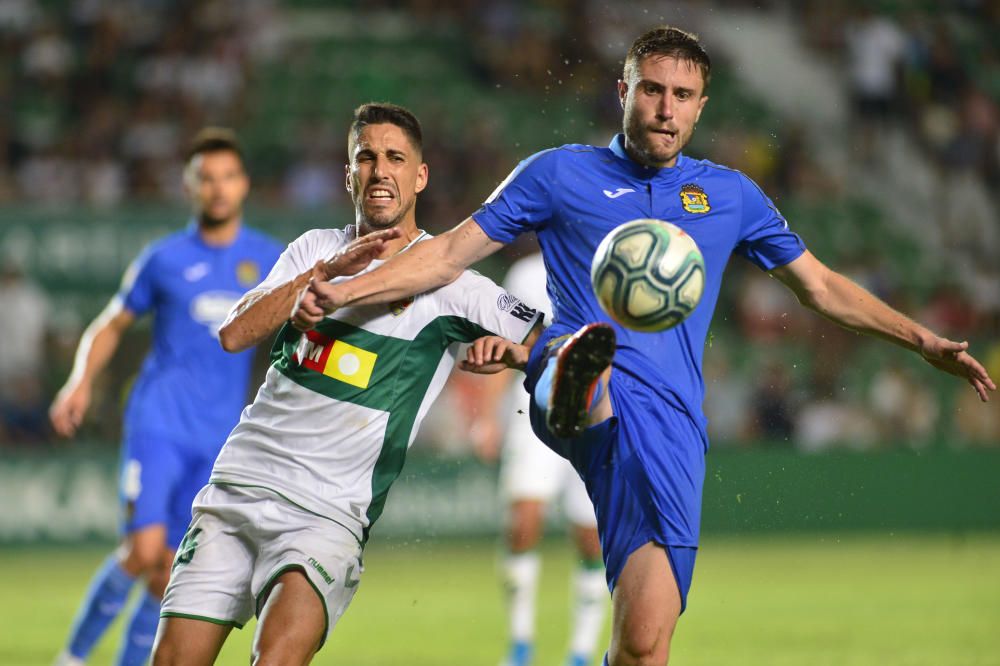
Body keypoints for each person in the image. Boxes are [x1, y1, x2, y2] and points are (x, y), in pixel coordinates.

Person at [300, 26, 997, 666]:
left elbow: (821, 288)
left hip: (670, 428)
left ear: (700, 107)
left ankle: (576, 379)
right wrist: (347, 290)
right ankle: (572, 376)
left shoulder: (731, 196)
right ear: (624, 92)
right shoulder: (556, 174)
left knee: (644, 643)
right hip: (579, 394)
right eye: (653, 89)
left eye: (682, 95)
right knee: (581, 371)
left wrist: (920, 339)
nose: (666, 107)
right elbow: (451, 253)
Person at [150, 103, 543, 665]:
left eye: (395, 158)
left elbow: (560, 346)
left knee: (277, 658)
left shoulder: (454, 286)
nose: (380, 169)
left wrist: (518, 353)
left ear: (420, 176)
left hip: (327, 513)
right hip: (239, 486)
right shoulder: (314, 248)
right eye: (366, 157)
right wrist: (325, 274)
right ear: (349, 173)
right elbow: (235, 334)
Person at [49, 128, 284, 666]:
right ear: (190, 187)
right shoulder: (164, 259)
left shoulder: (269, 259)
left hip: (219, 438)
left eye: (227, 177)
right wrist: (79, 380)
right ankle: (72, 657)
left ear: (244, 184)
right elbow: (112, 323)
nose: (218, 188)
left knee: (171, 573)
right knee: (142, 551)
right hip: (159, 423)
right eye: (207, 178)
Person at [470, 251, 607, 666]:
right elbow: (505, 342)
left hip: (596, 414)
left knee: (591, 540)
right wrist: (489, 418)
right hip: (532, 409)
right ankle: (520, 644)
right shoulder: (526, 273)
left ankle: (581, 651)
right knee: (523, 522)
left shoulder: (608, 266)